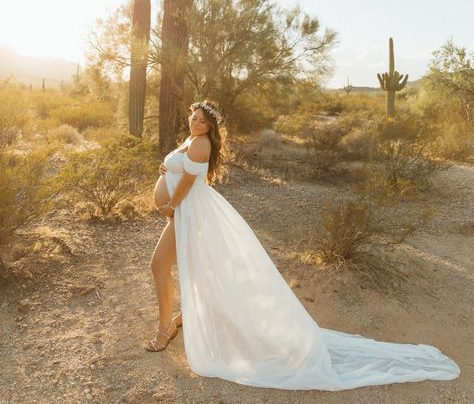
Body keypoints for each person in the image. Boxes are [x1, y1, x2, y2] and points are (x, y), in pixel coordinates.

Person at [145, 100, 460, 391]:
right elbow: (182, 170)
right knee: (197, 267)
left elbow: (187, 183)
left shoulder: (200, 143)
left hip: (188, 211)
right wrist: (166, 170)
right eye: (193, 117)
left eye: (201, 120)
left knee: (160, 265)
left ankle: (165, 330)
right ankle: (184, 317)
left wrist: (169, 207)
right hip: (189, 212)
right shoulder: (193, 140)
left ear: (210, 127)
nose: (194, 122)